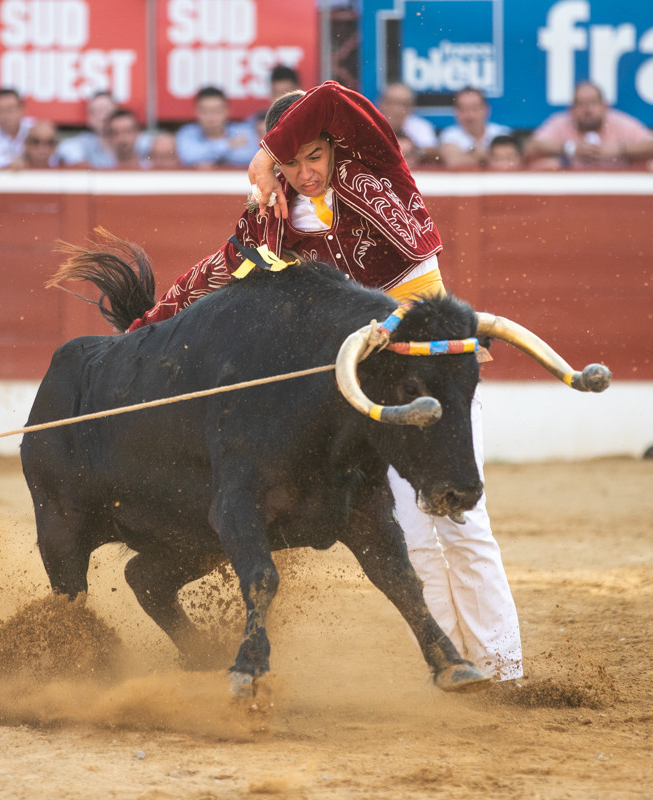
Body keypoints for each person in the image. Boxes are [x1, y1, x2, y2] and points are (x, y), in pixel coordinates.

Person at [125, 81, 523, 681]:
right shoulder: (274, 218)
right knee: (414, 535)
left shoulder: (377, 169)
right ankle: (462, 668)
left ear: (335, 146)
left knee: (463, 523)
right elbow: (215, 273)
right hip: (369, 391)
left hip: (434, 369)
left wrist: (265, 148)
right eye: (293, 162)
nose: (306, 172)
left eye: (315, 155)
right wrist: (142, 330)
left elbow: (334, 94)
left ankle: (505, 667)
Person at [524, 81, 653, 169]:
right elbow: (531, 146)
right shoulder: (560, 122)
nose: (587, 109)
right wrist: (570, 149)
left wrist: (618, 149)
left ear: (605, 106)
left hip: (617, 190)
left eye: (593, 103)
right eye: (581, 104)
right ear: (571, 109)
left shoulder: (620, 122)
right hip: (569, 192)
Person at [175, 86, 258, 168]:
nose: (211, 116)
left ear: (227, 111)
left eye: (217, 110)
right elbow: (188, 157)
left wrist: (208, 158)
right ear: (196, 112)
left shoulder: (243, 131)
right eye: (204, 111)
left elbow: (251, 156)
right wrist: (228, 145)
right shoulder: (186, 133)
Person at [439, 88, 511, 169]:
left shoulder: (501, 132)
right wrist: (489, 157)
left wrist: (472, 155)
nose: (470, 115)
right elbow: (454, 161)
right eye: (463, 109)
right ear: (456, 112)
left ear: (486, 109)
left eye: (475, 108)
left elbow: (509, 161)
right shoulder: (449, 134)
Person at [378, 82, 439, 166]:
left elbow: (432, 151)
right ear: (381, 103)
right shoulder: (371, 125)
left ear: (411, 107)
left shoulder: (421, 126)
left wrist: (414, 150)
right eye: (392, 103)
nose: (397, 110)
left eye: (404, 104)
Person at [56, 90, 118, 168]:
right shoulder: (82, 144)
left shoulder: (135, 143)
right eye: (97, 112)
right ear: (89, 118)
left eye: (107, 111)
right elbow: (65, 148)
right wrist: (79, 162)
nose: (103, 117)